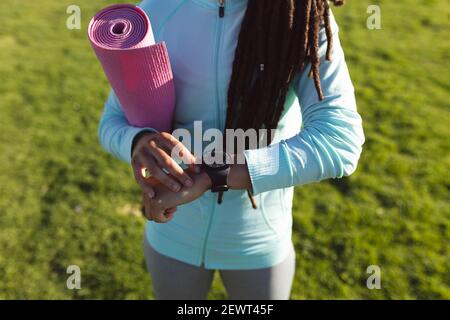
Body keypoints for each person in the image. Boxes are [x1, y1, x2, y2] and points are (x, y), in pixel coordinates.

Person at [98, 0, 364, 300]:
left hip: (256, 239)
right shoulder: (156, 11)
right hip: (173, 232)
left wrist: (214, 175)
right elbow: (112, 121)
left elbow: (339, 140)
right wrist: (137, 142)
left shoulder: (302, 13)